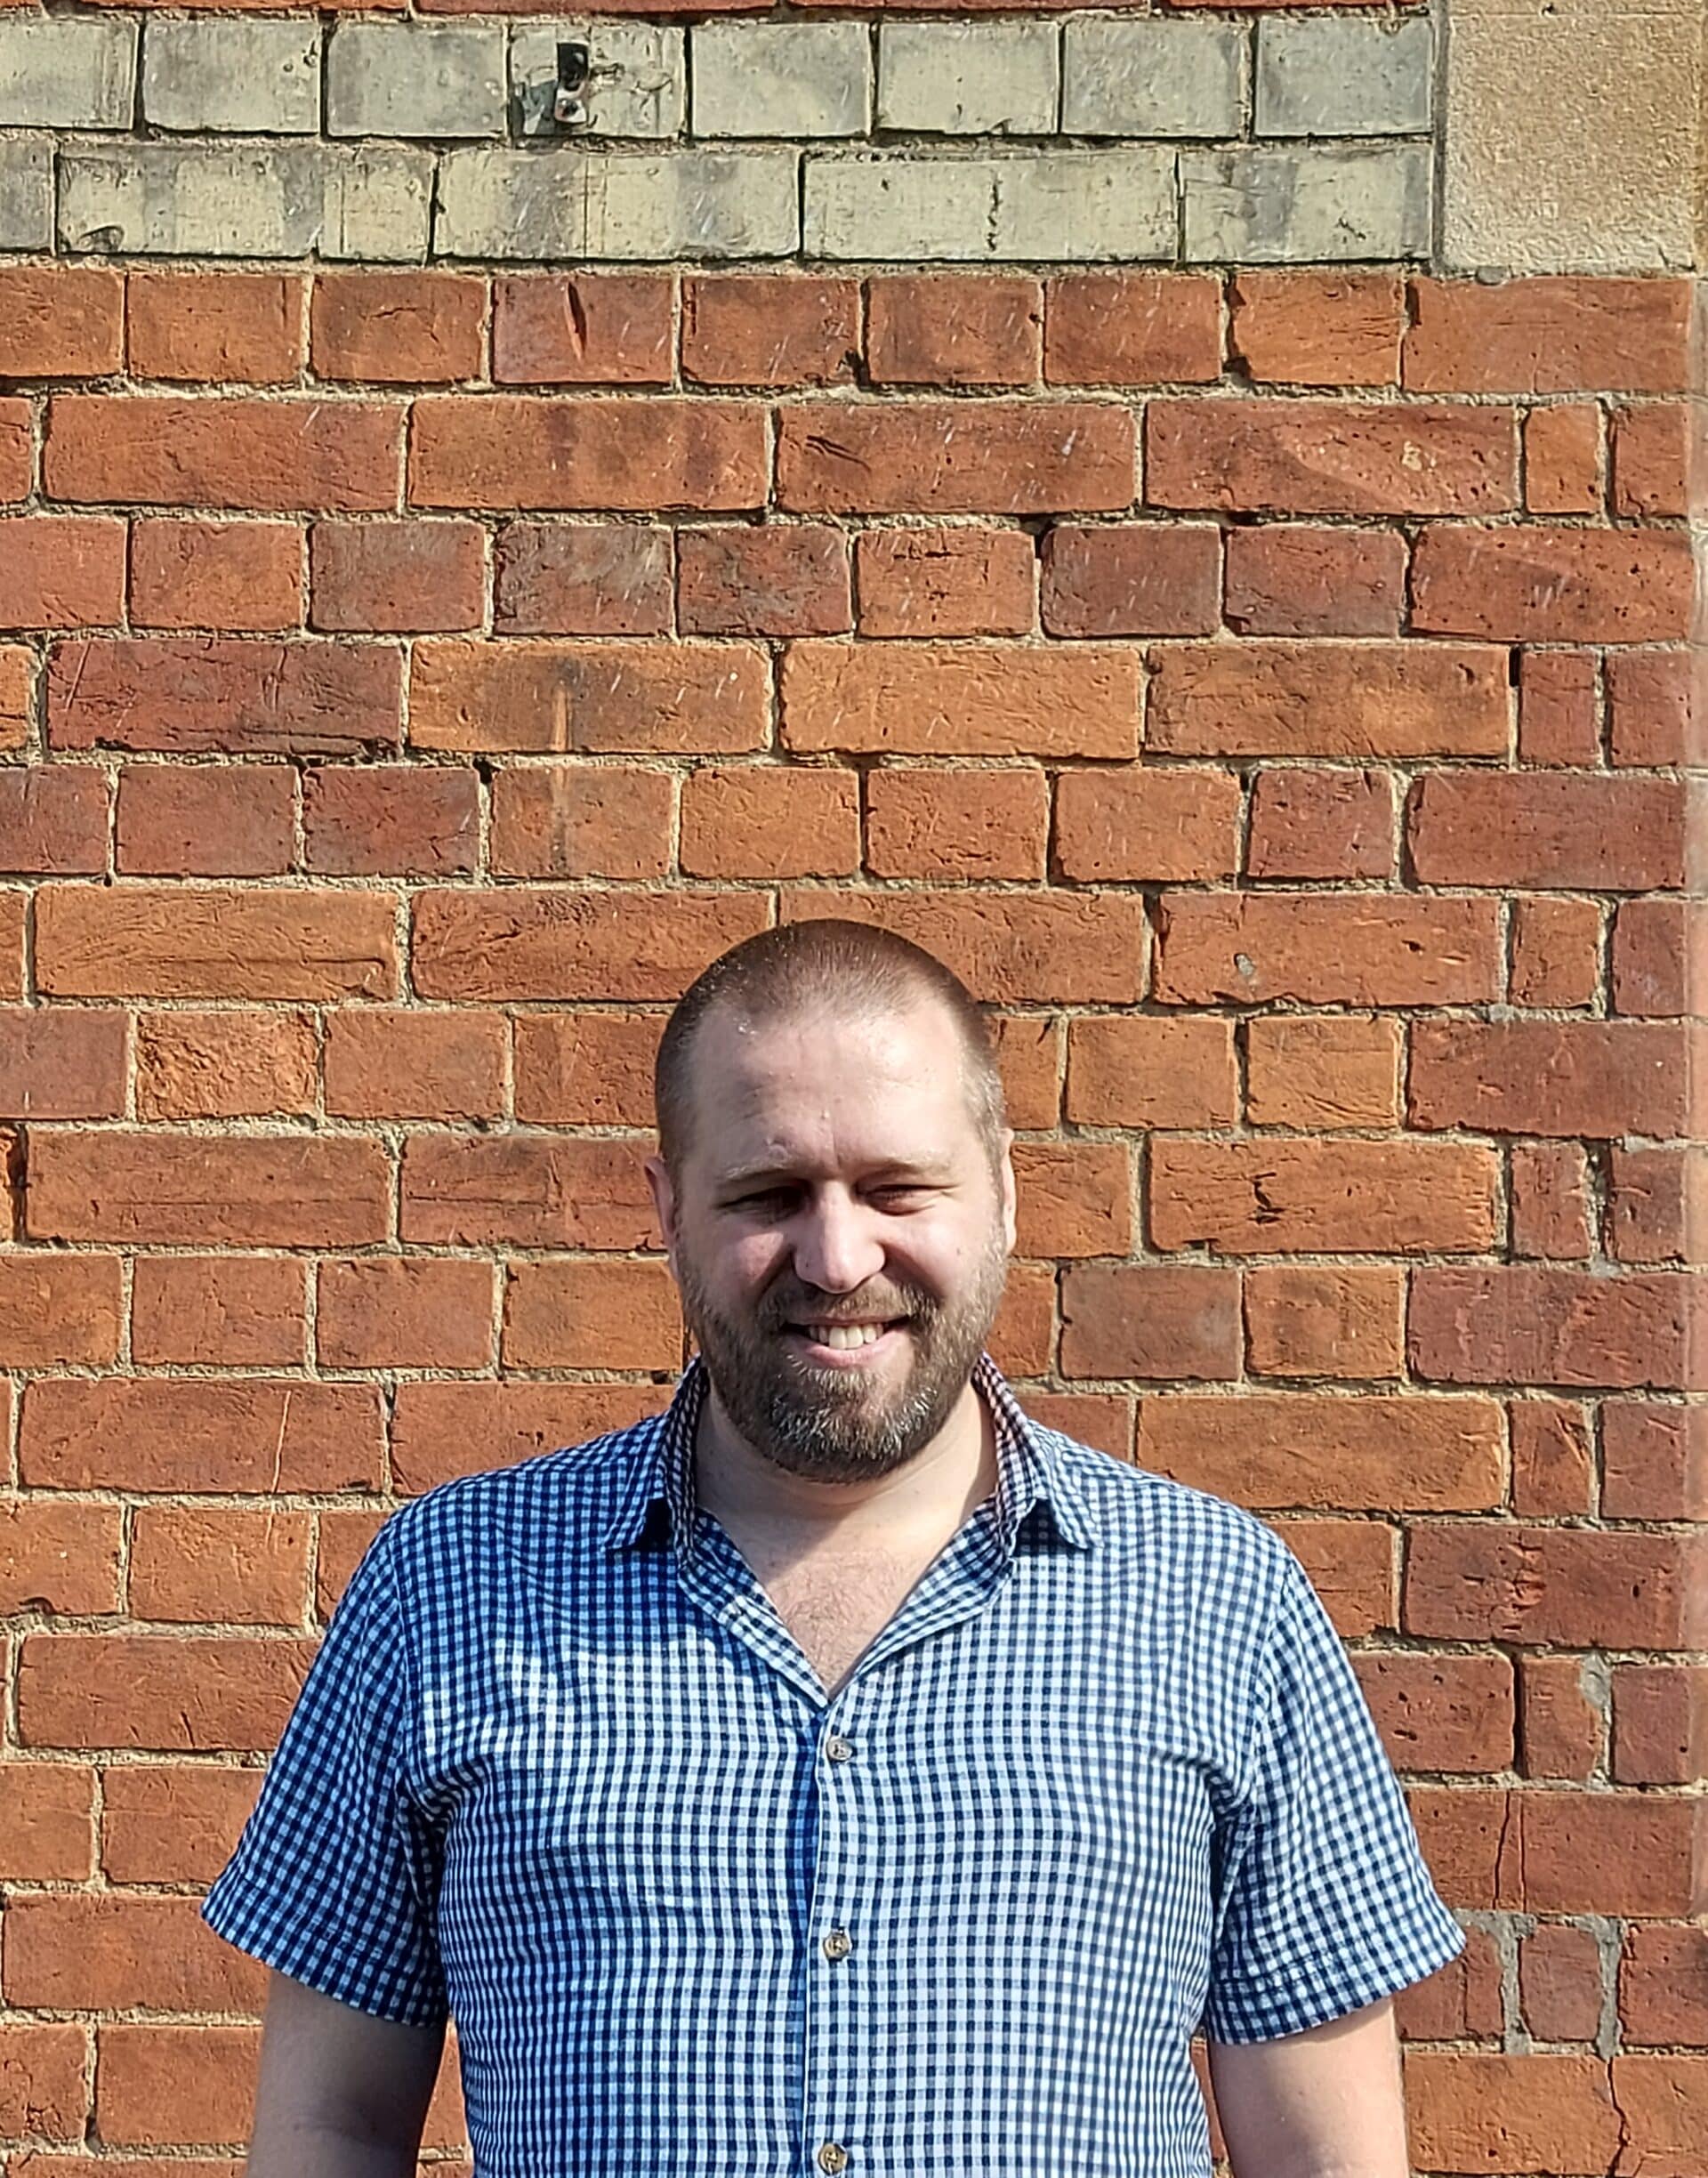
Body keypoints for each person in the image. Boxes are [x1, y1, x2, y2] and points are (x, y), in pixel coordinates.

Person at [203, 917, 1465, 2177]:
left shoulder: (1220, 1604)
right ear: (668, 1211)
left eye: (896, 1188)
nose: (838, 1256)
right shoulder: (449, 1588)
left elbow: (1326, 2153)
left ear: (1006, 1195)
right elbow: (334, 2126)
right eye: (768, 1195)